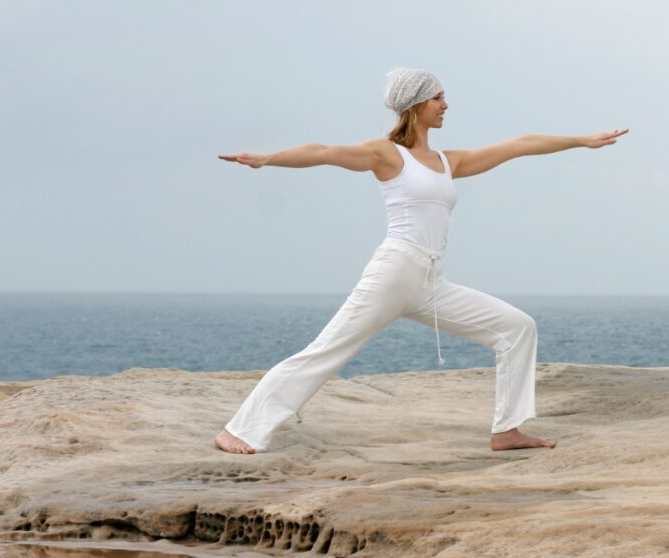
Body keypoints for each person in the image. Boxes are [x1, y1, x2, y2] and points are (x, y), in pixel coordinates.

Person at [214, 68, 628, 455]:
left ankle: (507, 430)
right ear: (414, 105)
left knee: (517, 328)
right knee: (327, 351)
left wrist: (582, 141)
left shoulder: (449, 162)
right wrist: (268, 159)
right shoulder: (387, 155)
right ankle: (239, 429)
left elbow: (519, 145)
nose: (446, 104)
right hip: (395, 271)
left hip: (431, 281)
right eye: (438, 97)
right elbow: (323, 152)